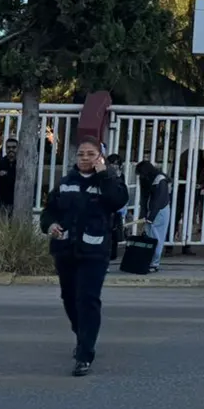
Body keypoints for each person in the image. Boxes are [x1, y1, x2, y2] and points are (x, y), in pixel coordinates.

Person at [41, 140, 128, 377]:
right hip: (65, 249)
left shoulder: (109, 181)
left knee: (87, 298)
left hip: (95, 250)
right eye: (81, 154)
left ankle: (85, 353)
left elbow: (117, 201)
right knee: (69, 298)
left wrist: (104, 175)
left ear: (100, 157)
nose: (85, 158)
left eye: (91, 154)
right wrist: (50, 226)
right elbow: (49, 211)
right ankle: (82, 335)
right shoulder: (66, 182)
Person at [135, 161, 171, 273]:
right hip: (152, 210)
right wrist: (144, 215)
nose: (140, 176)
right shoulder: (147, 179)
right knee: (150, 237)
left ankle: (154, 263)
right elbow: (144, 199)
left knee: (156, 238)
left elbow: (159, 201)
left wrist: (151, 217)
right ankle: (149, 261)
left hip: (160, 211)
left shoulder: (160, 180)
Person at [0, 137, 19, 216]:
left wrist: (7, 175)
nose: (11, 150)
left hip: (16, 202)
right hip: (1, 202)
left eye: (14, 147)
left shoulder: (21, 164)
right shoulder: (0, 163)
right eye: (8, 147)